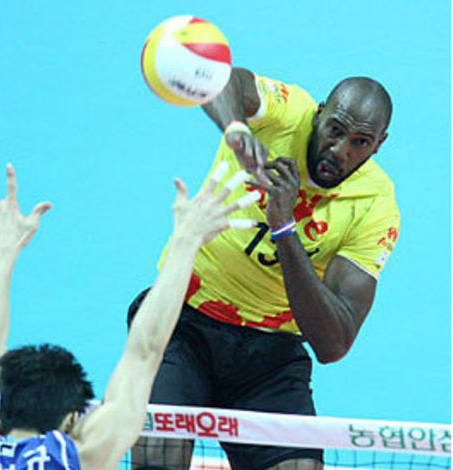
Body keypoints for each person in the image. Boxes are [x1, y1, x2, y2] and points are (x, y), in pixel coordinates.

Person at [130, 69, 399, 470]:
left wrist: (284, 228)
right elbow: (223, 80)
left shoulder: (376, 207)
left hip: (269, 358)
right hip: (181, 323)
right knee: (158, 460)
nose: (340, 150)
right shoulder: (286, 113)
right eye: (335, 130)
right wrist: (237, 130)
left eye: (360, 142)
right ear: (319, 114)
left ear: (379, 144)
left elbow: (334, 343)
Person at [0, 163, 258, 470]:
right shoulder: (81, 458)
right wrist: (186, 240)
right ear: (71, 421)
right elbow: (143, 352)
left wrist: (1, 250)